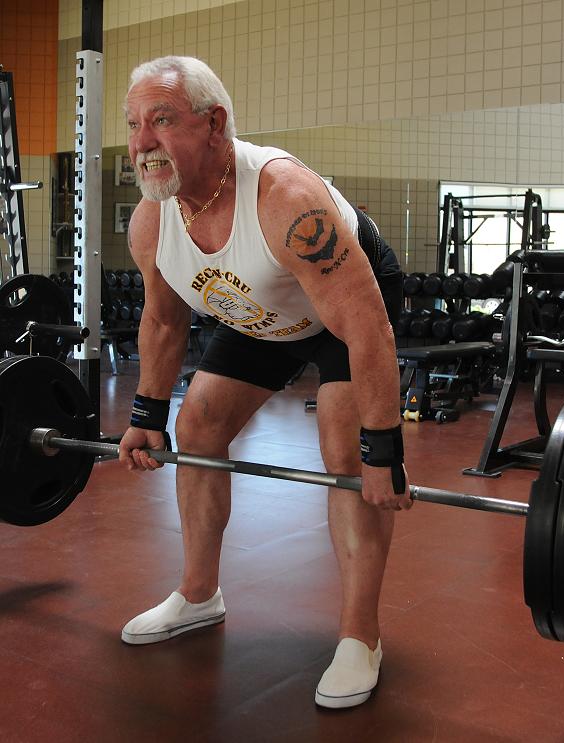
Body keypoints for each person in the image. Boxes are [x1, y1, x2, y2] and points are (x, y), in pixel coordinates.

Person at [118, 55, 411, 710]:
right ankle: (199, 594)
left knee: (344, 451)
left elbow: (369, 331)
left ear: (214, 123)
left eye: (161, 121)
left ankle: (360, 636)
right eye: (135, 124)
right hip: (260, 307)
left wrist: (383, 450)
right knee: (197, 427)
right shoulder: (152, 221)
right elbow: (164, 322)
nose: (141, 144)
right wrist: (146, 412)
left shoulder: (285, 200)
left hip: (344, 309)